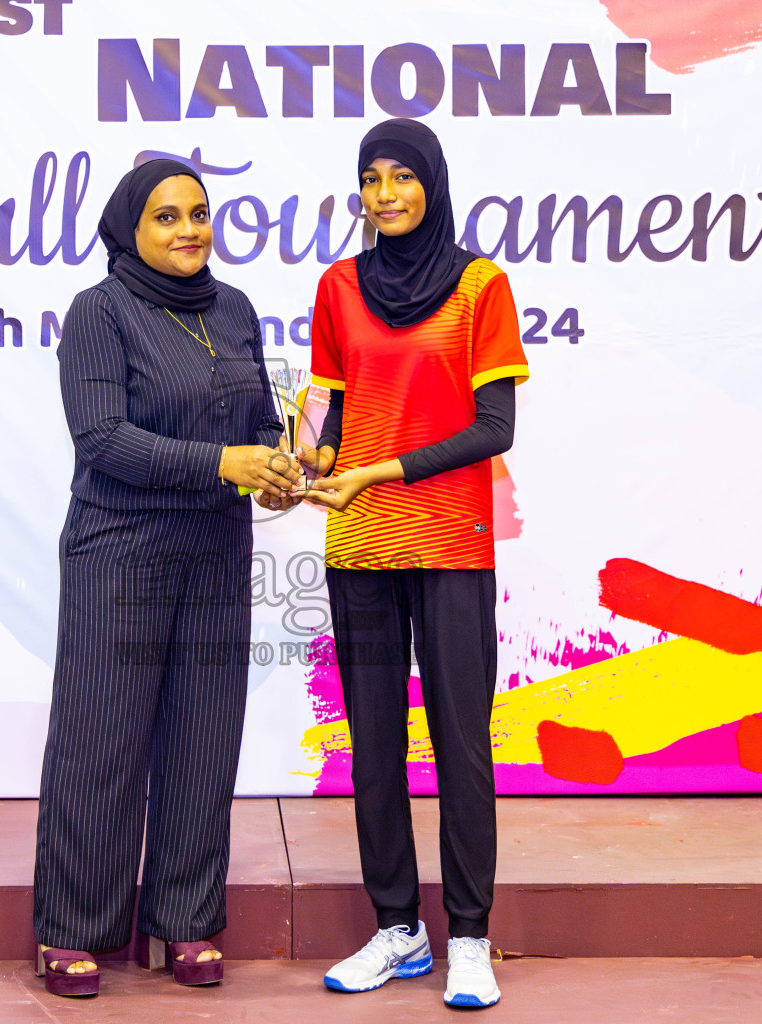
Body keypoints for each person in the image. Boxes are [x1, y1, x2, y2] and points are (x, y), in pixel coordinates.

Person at [32, 158, 298, 998]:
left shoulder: (233, 310)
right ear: (130, 230)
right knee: (101, 741)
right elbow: (103, 440)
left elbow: (259, 421)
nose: (189, 230)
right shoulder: (99, 314)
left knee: (203, 740)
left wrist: (288, 465)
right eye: (166, 217)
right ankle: (72, 928)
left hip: (215, 550)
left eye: (199, 213)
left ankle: (184, 920)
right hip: (120, 548)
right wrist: (226, 461)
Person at [299, 118, 529, 1009]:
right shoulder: (338, 286)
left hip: (448, 544)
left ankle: (468, 937)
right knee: (374, 752)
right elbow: (326, 403)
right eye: (371, 178)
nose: (385, 193)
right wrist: (305, 463)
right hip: (357, 544)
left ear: (431, 182)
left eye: (402, 176)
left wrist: (379, 470)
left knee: (462, 747)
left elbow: (494, 429)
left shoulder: (480, 287)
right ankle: (398, 930)